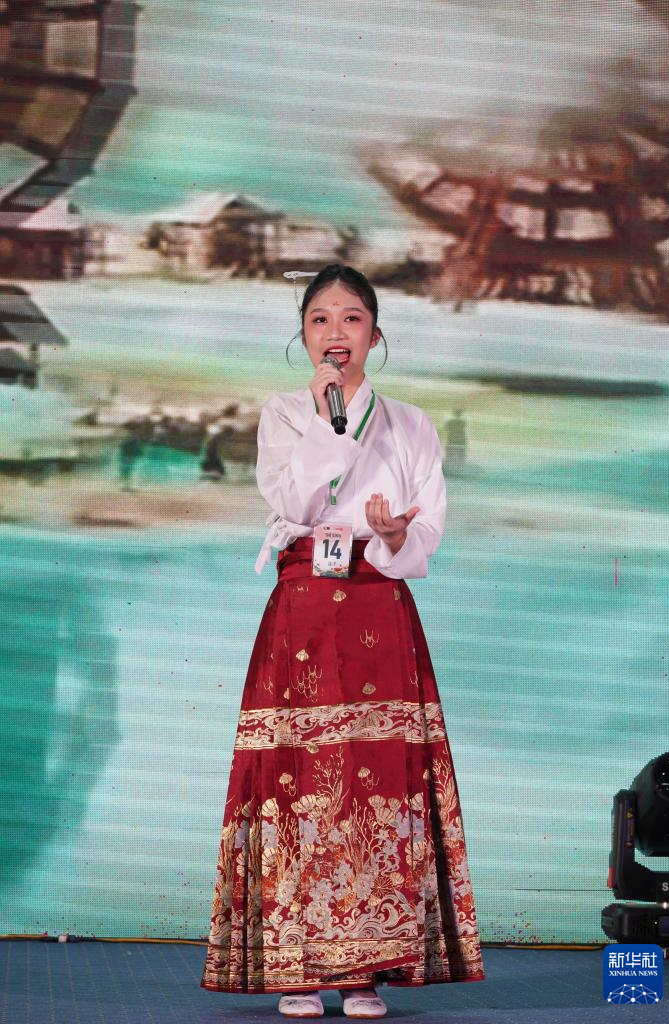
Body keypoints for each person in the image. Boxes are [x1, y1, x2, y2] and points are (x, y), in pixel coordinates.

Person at [200, 265, 485, 1018]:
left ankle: (366, 968)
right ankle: (297, 967)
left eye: (351, 319)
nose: (336, 333)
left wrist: (392, 535)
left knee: (377, 776)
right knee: (299, 777)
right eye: (320, 319)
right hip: (302, 607)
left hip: (377, 605)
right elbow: (291, 499)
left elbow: (427, 524)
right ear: (303, 336)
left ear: (375, 335)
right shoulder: (284, 413)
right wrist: (329, 425)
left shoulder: (411, 423)